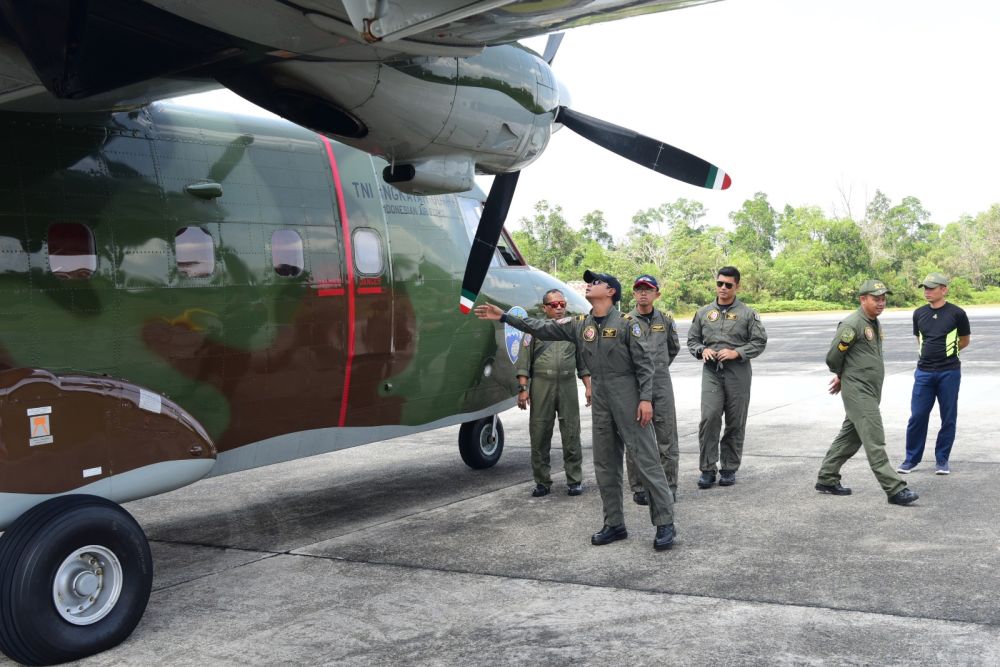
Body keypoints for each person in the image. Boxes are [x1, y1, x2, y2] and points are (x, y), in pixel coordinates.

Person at [475, 270, 677, 551]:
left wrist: (645, 399)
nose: (590, 285)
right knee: (605, 463)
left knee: (646, 460)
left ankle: (665, 522)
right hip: (603, 398)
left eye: (597, 282)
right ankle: (614, 523)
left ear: (611, 292)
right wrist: (504, 317)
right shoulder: (581, 324)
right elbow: (539, 327)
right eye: (590, 281)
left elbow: (645, 365)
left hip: (628, 395)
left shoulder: (628, 324)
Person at [815, 279, 918, 505]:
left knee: (850, 437)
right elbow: (833, 358)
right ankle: (894, 489)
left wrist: (845, 375)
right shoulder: (852, 325)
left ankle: (827, 477)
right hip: (859, 391)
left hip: (869, 390)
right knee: (874, 438)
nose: (881, 303)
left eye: (883, 299)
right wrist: (843, 375)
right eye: (876, 299)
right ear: (863, 299)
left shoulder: (873, 322)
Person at [686, 266, 767, 489]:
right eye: (720, 283)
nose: (723, 288)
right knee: (709, 418)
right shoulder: (703, 313)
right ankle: (707, 469)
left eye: (728, 285)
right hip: (712, 372)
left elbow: (759, 342)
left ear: (737, 286)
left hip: (737, 372)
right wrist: (702, 350)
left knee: (735, 420)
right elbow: (692, 340)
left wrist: (737, 352)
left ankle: (729, 468)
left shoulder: (748, 314)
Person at [516, 289, 591, 497]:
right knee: (539, 433)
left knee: (572, 432)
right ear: (544, 308)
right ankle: (542, 481)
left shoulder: (574, 329)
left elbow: (582, 362)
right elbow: (524, 363)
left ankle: (574, 480)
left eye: (562, 304)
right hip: (541, 384)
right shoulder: (533, 330)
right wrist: (523, 390)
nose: (559, 308)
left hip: (567, 384)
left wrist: (588, 386)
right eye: (554, 305)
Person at [897, 273, 971, 476]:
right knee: (917, 416)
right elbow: (920, 340)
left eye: (931, 288)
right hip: (924, 373)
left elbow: (964, 340)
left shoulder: (957, 313)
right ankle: (911, 459)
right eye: (925, 288)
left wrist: (947, 354)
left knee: (948, 417)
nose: (927, 291)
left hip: (949, 372)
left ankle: (942, 460)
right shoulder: (919, 313)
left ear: (943, 289)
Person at [625, 275, 680, 505]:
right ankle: (639, 486)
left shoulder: (665, 320)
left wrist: (655, 370)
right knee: (637, 438)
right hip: (634, 387)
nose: (643, 293)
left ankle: (669, 486)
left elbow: (673, 348)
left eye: (648, 289)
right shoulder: (625, 321)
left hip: (660, 384)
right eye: (639, 289)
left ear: (657, 293)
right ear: (634, 293)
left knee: (667, 437)